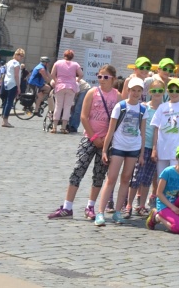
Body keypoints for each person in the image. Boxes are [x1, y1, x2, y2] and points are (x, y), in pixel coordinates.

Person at [49, 65, 117, 220]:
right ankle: (67, 207)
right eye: (99, 76)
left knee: (99, 174)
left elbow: (117, 121)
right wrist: (94, 137)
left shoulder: (117, 96)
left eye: (105, 77)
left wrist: (106, 140)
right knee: (78, 169)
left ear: (112, 79)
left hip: (106, 142)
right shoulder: (92, 92)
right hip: (89, 138)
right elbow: (84, 117)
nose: (102, 80)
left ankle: (90, 207)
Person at [96, 77, 148, 225]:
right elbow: (111, 129)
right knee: (111, 178)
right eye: (133, 90)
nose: (136, 93)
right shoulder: (121, 106)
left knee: (126, 179)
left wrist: (142, 154)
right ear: (128, 90)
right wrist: (104, 150)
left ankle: (118, 212)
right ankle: (100, 212)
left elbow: (142, 132)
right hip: (119, 146)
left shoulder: (143, 109)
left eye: (138, 90)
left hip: (133, 148)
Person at [129, 78, 166, 216]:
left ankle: (142, 205)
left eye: (160, 90)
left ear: (164, 92)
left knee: (147, 179)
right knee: (136, 177)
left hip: (156, 147)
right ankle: (129, 204)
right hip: (142, 146)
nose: (157, 93)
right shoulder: (144, 107)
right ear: (150, 92)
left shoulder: (165, 109)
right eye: (154, 90)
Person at [147, 144, 179, 234]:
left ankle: (177, 215)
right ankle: (157, 216)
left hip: (175, 201)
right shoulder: (168, 171)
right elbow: (159, 193)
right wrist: (172, 207)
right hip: (164, 204)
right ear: (176, 158)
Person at [50, 50, 83, 133]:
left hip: (60, 86)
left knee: (58, 106)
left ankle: (54, 127)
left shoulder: (58, 63)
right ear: (72, 57)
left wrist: (56, 81)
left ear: (64, 55)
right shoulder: (75, 64)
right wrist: (76, 80)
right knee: (67, 107)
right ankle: (63, 127)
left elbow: (52, 74)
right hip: (71, 87)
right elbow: (81, 74)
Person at [0, 48, 26, 128]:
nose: (21, 57)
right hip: (13, 83)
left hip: (6, 82)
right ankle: (5, 120)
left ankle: (3, 118)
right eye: (20, 55)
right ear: (16, 55)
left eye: (22, 56)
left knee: (6, 101)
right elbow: (16, 75)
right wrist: (19, 87)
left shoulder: (9, 62)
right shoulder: (16, 64)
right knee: (9, 102)